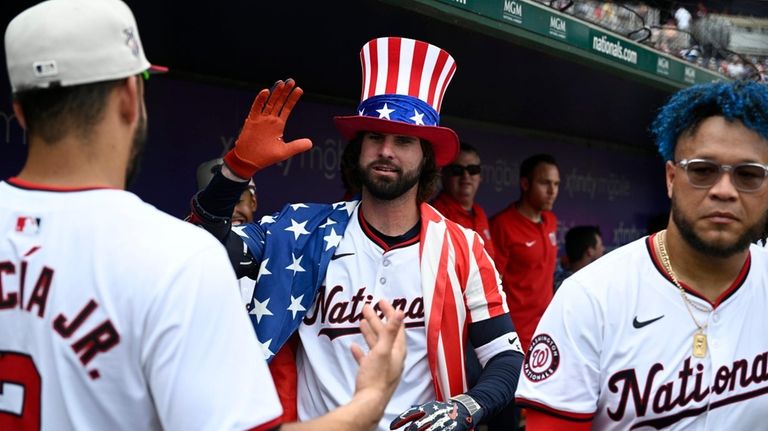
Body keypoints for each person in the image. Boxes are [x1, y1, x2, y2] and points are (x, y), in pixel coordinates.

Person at [0, 1, 407, 430]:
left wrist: (233, 173)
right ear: (128, 97)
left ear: (22, 112)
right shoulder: (177, 256)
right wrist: (373, 397)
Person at [189, 37, 523, 431]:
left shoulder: (462, 246)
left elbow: (504, 354)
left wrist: (466, 406)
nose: (386, 150)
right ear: (358, 148)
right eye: (375, 137)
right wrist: (235, 172)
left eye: (403, 140)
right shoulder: (302, 230)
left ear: (426, 155)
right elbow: (204, 249)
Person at [516, 81, 768, 430]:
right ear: (670, 178)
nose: (723, 191)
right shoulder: (590, 297)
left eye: (749, 175)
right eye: (702, 170)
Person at [490, 154, 560, 352]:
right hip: (515, 335)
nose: (552, 191)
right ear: (525, 183)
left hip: (547, 330)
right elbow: (493, 286)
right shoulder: (502, 225)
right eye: (545, 183)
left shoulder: (551, 221)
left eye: (556, 184)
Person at [431, 141, 495, 258]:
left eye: (472, 170)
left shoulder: (479, 212)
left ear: (480, 176)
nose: (466, 176)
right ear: (444, 174)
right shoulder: (435, 214)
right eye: (457, 170)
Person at [553, 225, 605, 291]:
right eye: (600, 245)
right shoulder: (573, 286)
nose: (603, 249)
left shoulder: (560, 281)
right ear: (590, 251)